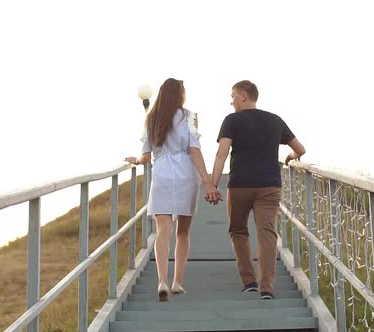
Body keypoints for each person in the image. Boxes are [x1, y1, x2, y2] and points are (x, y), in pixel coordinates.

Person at [125, 78, 220, 302]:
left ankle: (162, 281)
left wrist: (137, 161)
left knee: (162, 232)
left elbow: (147, 156)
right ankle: (177, 282)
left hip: (163, 175)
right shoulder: (190, 116)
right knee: (183, 232)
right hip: (187, 174)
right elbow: (195, 150)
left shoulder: (151, 118)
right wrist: (208, 182)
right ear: (180, 94)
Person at [209, 80, 305, 300]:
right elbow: (300, 149)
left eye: (233, 96)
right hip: (270, 186)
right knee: (267, 234)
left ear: (243, 96)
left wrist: (213, 185)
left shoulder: (231, 120)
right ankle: (266, 288)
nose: (231, 101)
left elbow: (221, 155)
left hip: (240, 186)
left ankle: (249, 281)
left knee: (238, 231)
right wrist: (289, 157)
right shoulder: (275, 120)